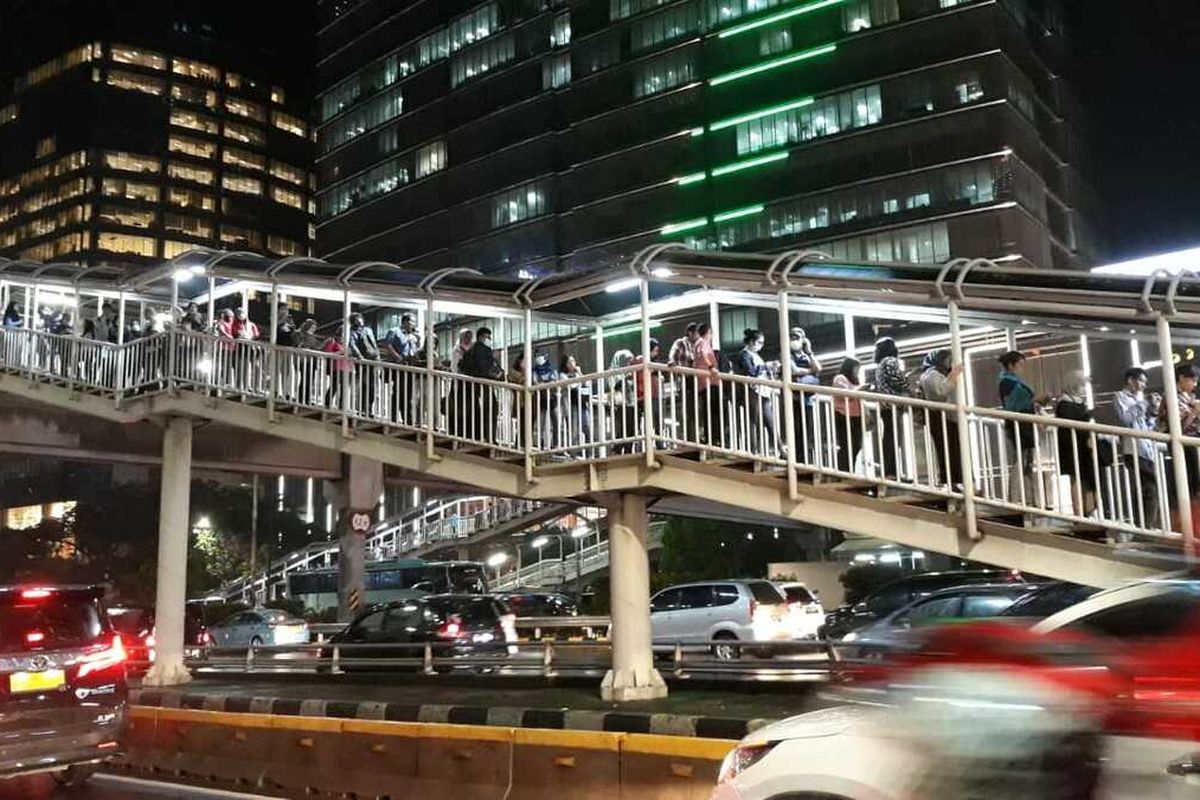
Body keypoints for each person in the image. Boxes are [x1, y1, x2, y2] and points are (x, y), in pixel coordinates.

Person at [997, 350, 1050, 501]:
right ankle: (1015, 497)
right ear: (1011, 365)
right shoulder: (1007, 383)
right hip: (1017, 424)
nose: (1022, 368)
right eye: (1020, 365)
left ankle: (1028, 496)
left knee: (1027, 462)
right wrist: (1034, 400)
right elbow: (1011, 406)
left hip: (1025, 422)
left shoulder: (1015, 382)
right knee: (1020, 460)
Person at [1113, 366, 1162, 528]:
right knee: (1149, 487)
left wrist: (1153, 412)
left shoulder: (1140, 401)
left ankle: (1146, 525)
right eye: (1141, 381)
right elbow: (1126, 418)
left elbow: (1148, 427)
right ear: (1130, 380)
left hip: (1146, 450)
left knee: (1148, 488)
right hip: (1133, 449)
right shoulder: (1120, 396)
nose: (1143, 385)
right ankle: (1146, 526)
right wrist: (1144, 403)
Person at [1054, 370, 1103, 516]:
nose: (1083, 388)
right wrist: (1089, 414)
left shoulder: (1077, 401)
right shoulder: (1064, 402)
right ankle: (1079, 512)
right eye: (1081, 384)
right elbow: (1069, 422)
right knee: (1076, 477)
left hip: (1083, 444)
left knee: (1087, 477)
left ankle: (1089, 510)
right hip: (1071, 445)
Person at [1160, 364, 1200, 520]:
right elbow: (1177, 426)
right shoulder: (1171, 396)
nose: (1195, 385)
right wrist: (1195, 412)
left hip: (1192, 443)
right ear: (1182, 378)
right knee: (1190, 483)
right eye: (1193, 380)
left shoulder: (1189, 397)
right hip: (1182, 446)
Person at [733, 329, 781, 456]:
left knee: (770, 422)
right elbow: (752, 371)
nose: (761, 345)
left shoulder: (755, 355)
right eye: (759, 342)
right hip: (751, 392)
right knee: (753, 422)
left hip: (762, 391)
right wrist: (767, 366)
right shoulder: (744, 355)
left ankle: (780, 449)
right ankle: (754, 451)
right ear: (752, 342)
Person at [919, 349, 964, 488]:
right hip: (938, 416)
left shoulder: (938, 374)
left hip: (947, 416)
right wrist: (954, 374)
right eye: (947, 360)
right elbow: (940, 392)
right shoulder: (931, 374)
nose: (949, 363)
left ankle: (958, 480)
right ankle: (951, 481)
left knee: (954, 448)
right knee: (947, 448)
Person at [458, 327, 504, 442]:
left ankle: (480, 435)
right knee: (491, 409)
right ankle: (490, 437)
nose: (489, 339)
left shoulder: (471, 349)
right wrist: (496, 374)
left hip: (473, 384)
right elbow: (484, 368)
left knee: (481, 410)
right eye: (487, 337)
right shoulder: (484, 350)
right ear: (481, 337)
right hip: (484, 383)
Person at [873, 337, 909, 479]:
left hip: (884, 405)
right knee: (894, 438)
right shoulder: (891, 361)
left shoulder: (879, 365)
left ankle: (889, 470)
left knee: (888, 436)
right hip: (893, 404)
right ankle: (891, 471)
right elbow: (897, 380)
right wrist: (906, 381)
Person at [787, 327, 823, 462]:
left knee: (808, 430)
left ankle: (808, 459)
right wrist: (810, 371)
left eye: (797, 338)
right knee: (796, 431)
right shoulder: (786, 354)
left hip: (807, 399)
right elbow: (793, 371)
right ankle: (798, 460)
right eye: (791, 337)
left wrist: (809, 352)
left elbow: (818, 368)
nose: (793, 340)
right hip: (794, 398)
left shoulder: (806, 355)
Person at [832, 357, 864, 474]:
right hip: (843, 415)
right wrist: (860, 389)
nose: (857, 371)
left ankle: (850, 470)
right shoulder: (840, 378)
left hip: (856, 416)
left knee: (856, 445)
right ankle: (842, 470)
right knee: (846, 445)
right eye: (856, 368)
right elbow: (843, 394)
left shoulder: (855, 382)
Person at [692, 322, 721, 447]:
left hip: (702, 382)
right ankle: (714, 438)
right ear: (709, 332)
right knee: (713, 411)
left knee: (708, 411)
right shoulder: (703, 343)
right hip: (710, 380)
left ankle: (710, 437)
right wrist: (711, 367)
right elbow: (704, 355)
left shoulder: (696, 344)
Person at [348, 313, 380, 417]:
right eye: (357, 319)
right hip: (363, 362)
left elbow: (374, 343)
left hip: (372, 360)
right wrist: (359, 356)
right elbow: (352, 344)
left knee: (372, 387)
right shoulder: (353, 332)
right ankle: (362, 408)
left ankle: (369, 409)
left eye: (360, 319)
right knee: (364, 385)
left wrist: (377, 355)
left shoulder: (368, 330)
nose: (360, 321)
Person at [560, 353, 592, 452]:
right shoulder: (563, 375)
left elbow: (585, 384)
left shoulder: (578, 373)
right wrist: (578, 382)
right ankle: (573, 451)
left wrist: (580, 373)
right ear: (566, 364)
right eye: (570, 362)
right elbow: (569, 386)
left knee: (586, 427)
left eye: (573, 361)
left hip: (582, 404)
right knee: (574, 430)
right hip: (571, 405)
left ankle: (589, 450)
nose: (572, 364)